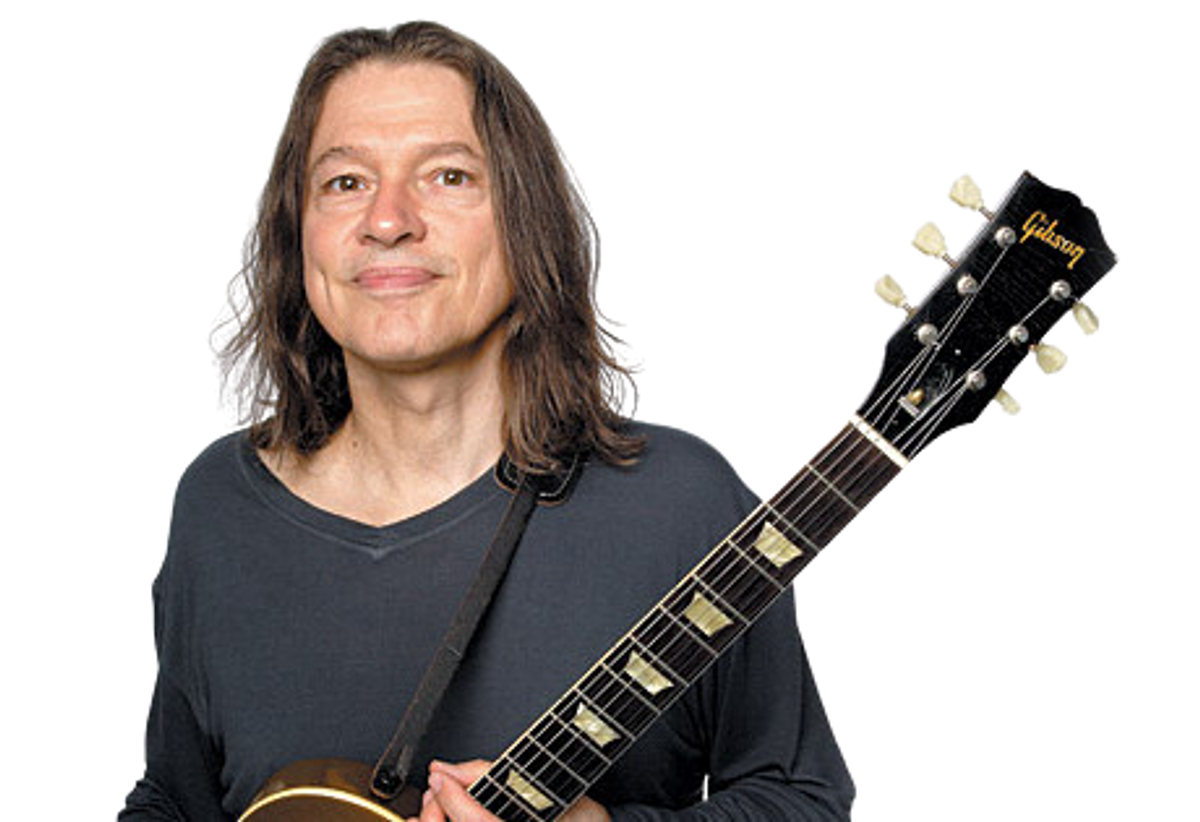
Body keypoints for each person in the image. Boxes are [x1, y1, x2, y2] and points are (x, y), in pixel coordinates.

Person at [118, 17, 855, 821]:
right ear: (300, 237)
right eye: (345, 182)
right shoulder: (218, 505)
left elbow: (806, 802)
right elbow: (174, 802)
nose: (388, 220)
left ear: (524, 221)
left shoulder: (680, 502)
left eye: (448, 176)